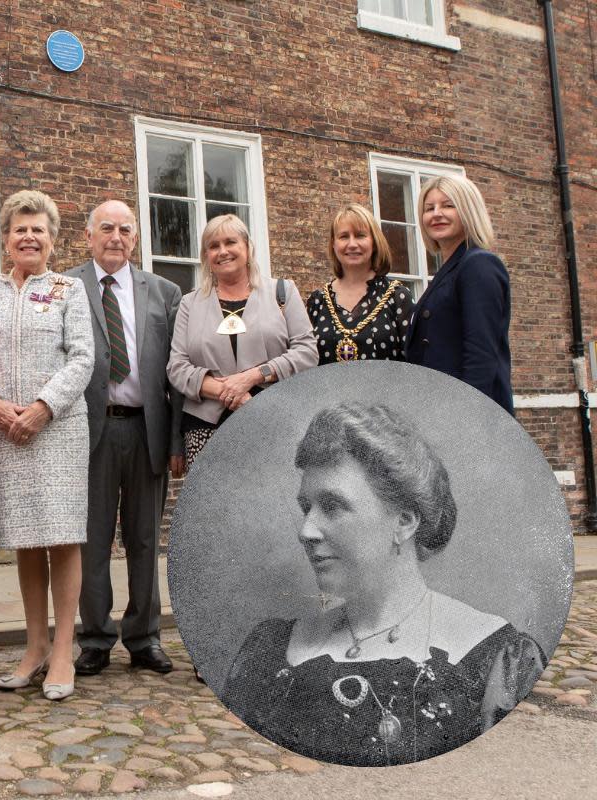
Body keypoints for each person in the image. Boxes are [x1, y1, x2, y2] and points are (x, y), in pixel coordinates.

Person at [220, 403, 546, 766]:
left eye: (332, 506)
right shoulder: (269, 651)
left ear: (404, 522)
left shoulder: (496, 661)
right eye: (305, 507)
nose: (306, 531)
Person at [0, 190, 95, 701]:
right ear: (6, 237)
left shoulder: (69, 291)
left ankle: (63, 649)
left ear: (53, 240)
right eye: (20, 229)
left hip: (56, 428)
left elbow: (83, 359)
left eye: (38, 230)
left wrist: (42, 407)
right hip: (3, 430)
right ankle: (34, 645)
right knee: (26, 537)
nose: (29, 237)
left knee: (61, 535)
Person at [63, 200, 183, 678]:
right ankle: (94, 637)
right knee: (91, 541)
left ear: (136, 239)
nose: (116, 237)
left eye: (125, 230)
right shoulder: (66, 285)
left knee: (145, 538)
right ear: (88, 235)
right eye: (106, 228)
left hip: (146, 428)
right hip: (88, 430)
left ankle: (144, 636)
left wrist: (175, 440)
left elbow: (175, 375)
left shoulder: (165, 292)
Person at [167, 214, 317, 466]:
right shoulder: (189, 304)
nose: (222, 251)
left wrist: (253, 376)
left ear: (247, 247)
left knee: (270, 503)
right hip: (206, 428)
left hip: (273, 418)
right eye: (213, 246)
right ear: (206, 256)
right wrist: (228, 391)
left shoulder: (282, 292)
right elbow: (177, 367)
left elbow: (306, 352)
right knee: (209, 505)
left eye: (230, 242)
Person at [405, 175, 513, 414]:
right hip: (439, 410)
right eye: (429, 208)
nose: (436, 214)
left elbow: (481, 354)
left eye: (448, 205)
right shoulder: (450, 270)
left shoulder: (478, 265)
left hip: (467, 416)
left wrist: (467, 419)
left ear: (468, 210)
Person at [305, 203, 415, 365]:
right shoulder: (317, 302)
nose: (352, 244)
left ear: (374, 242)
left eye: (360, 235)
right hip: (329, 391)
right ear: (334, 244)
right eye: (344, 237)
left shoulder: (397, 297)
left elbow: (414, 362)